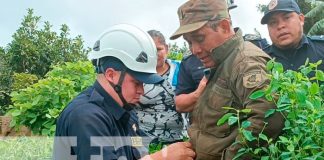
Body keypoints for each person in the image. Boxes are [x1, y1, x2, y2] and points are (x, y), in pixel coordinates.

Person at [54, 24, 195, 160]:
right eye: (136, 82)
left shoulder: (127, 111)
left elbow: (139, 150)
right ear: (111, 75)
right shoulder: (86, 118)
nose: (142, 90)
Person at [170, 0, 284, 159]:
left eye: (200, 38)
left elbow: (268, 118)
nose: (194, 50)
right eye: (189, 42)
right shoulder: (221, 60)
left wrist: (231, 157)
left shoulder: (245, 62)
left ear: (224, 26)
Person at [134, 30, 185, 144]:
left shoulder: (181, 70)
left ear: (166, 48)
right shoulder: (136, 74)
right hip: (142, 141)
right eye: (149, 50)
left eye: (158, 49)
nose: (154, 54)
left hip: (176, 140)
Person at [261, 0, 324, 72]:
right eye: (273, 22)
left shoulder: (321, 48)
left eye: (286, 18)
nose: (280, 26)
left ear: (301, 19)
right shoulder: (261, 60)